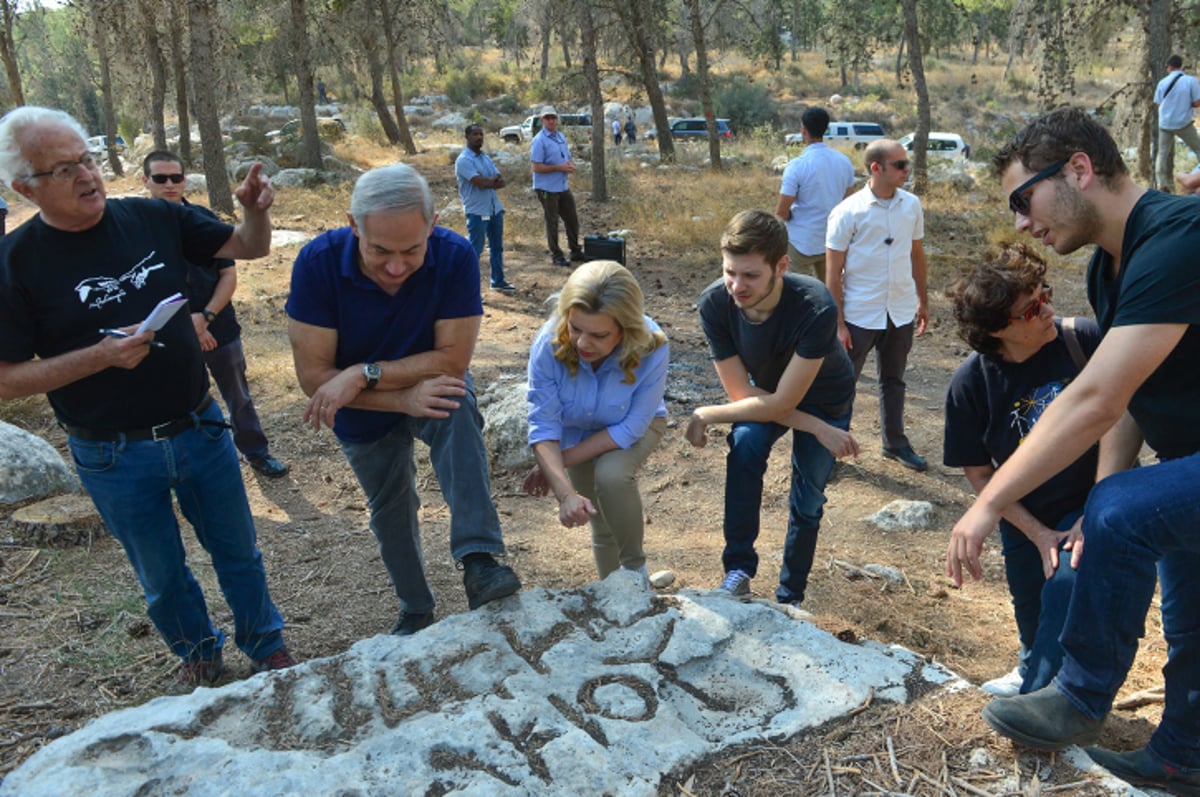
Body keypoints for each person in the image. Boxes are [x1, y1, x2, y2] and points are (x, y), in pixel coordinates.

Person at [948, 106, 1200, 796]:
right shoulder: (1108, 271)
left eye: (1023, 199)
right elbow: (1128, 400)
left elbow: (1093, 399)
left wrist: (988, 504)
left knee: (1125, 508)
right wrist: (1098, 504)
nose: (1023, 222)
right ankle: (1182, 757)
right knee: (1188, 617)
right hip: (1186, 467)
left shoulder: (1180, 237)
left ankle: (1080, 696)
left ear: (1079, 170)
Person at [0, 106, 295, 689]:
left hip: (200, 426)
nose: (87, 175)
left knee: (239, 554)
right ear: (24, 188)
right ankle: (199, 657)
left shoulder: (154, 216)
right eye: (63, 169)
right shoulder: (15, 263)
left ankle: (267, 647)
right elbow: (6, 378)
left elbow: (247, 247)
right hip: (112, 453)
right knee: (162, 574)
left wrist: (253, 212)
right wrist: (100, 358)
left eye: (87, 159)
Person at [286, 163, 521, 637]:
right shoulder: (316, 263)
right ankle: (415, 607)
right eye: (379, 251)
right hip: (362, 411)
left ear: (432, 226)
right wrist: (398, 399)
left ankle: (479, 560)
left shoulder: (454, 256)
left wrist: (362, 373)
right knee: (390, 505)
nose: (396, 267)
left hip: (415, 383)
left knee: (455, 405)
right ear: (352, 225)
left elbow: (452, 361)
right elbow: (316, 379)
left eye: (412, 250)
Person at [943, 242, 1105, 697]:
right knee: (1032, 604)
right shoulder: (970, 385)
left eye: (1045, 294)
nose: (1048, 309)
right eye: (1032, 308)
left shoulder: (1084, 341)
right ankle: (1033, 669)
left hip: (1094, 500)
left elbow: (1120, 423)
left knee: (1066, 589)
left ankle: (1049, 695)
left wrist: (1092, 513)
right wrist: (1036, 533)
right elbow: (979, 473)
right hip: (1023, 515)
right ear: (997, 330)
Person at [687, 210, 859, 606]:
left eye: (750, 275)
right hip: (761, 394)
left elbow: (783, 402)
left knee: (809, 495)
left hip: (824, 395)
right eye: (730, 271)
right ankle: (738, 570)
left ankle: (790, 595)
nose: (736, 286)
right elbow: (741, 395)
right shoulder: (715, 303)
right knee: (745, 446)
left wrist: (705, 414)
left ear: (781, 266)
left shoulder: (815, 305)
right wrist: (817, 428)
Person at [142, 150, 289, 478]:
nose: (169, 185)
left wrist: (204, 318)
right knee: (177, 404)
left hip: (218, 327)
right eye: (160, 178)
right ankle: (191, 467)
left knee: (238, 396)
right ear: (146, 181)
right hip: (168, 336)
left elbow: (228, 274)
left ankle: (257, 453)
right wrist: (188, 326)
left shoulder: (202, 219)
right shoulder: (138, 229)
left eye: (176, 177)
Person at [523, 260, 668, 581]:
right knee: (597, 516)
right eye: (575, 328)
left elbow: (632, 426)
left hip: (634, 425)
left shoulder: (652, 344)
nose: (583, 344)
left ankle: (635, 573)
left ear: (626, 329)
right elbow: (543, 424)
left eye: (599, 335)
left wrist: (557, 463)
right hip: (576, 430)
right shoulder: (548, 343)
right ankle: (612, 594)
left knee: (612, 477)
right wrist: (564, 492)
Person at [826, 138, 929, 472]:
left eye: (906, 163)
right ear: (876, 168)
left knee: (894, 379)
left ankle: (895, 443)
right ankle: (828, 453)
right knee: (844, 384)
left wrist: (922, 301)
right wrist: (838, 323)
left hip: (899, 309)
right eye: (899, 165)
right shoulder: (847, 212)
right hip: (859, 312)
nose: (906, 170)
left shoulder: (911, 205)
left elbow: (916, 254)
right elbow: (833, 272)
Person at [774, 106, 856, 283]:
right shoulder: (844, 162)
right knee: (831, 292)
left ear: (803, 130)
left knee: (796, 292)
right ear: (825, 129)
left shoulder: (797, 166)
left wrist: (790, 215)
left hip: (801, 241)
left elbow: (781, 212)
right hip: (832, 240)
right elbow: (849, 204)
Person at [455, 124, 514, 293]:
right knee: (475, 252)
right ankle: (469, 290)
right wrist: (489, 181)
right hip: (477, 212)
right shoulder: (464, 160)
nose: (479, 137)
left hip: (494, 210)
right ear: (467, 137)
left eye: (481, 134)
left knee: (497, 247)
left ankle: (498, 281)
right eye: (475, 134)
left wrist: (490, 181)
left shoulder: (485, 158)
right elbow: (480, 183)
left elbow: (500, 181)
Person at [531, 105, 583, 268]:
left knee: (572, 220)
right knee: (552, 221)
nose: (551, 121)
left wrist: (570, 165)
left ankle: (575, 250)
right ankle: (556, 254)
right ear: (542, 120)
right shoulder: (539, 140)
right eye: (547, 118)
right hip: (547, 188)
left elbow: (566, 158)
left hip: (562, 186)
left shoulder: (560, 137)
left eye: (553, 117)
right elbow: (536, 167)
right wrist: (559, 168)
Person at [1154, 54, 1200, 193]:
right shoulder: (1190, 81)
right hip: (1184, 123)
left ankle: (1161, 183)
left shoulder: (1162, 82)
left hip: (1165, 124)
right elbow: (1197, 102)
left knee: (1162, 154)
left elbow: (1158, 103)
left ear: (1169, 67)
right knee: (1198, 149)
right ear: (1181, 66)